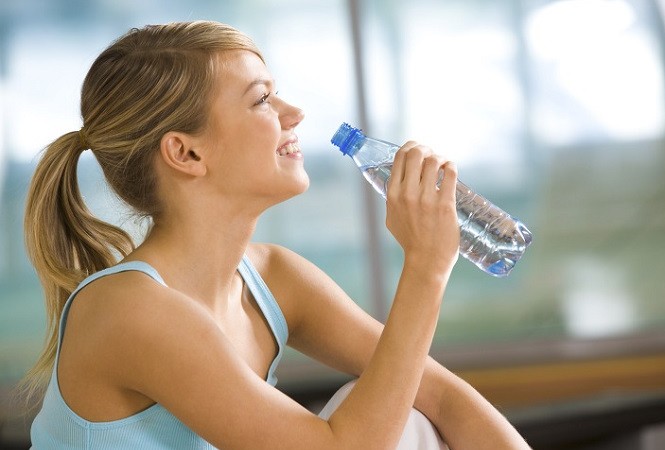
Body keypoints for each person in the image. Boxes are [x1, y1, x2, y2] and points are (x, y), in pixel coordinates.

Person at [20, 20, 530, 449]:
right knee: (383, 415)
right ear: (186, 153)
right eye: (263, 99)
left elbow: (442, 396)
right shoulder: (130, 310)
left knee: (408, 413)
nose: (294, 114)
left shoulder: (273, 279)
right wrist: (426, 268)